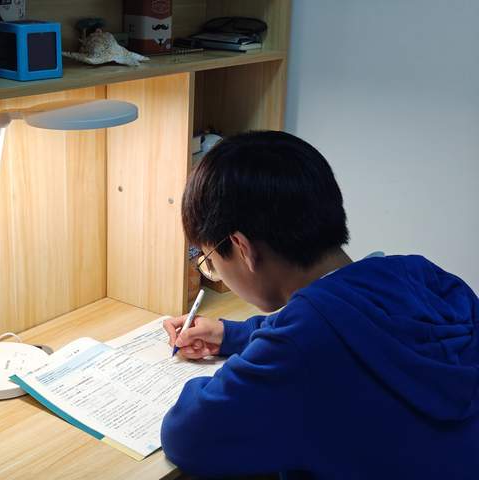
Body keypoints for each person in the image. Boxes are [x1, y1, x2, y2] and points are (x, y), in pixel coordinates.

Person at [160, 130, 479, 479]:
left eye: (209, 262)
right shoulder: (422, 275)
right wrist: (233, 334)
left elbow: (187, 435)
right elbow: (348, 316)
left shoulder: (301, 347)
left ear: (242, 248)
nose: (214, 271)